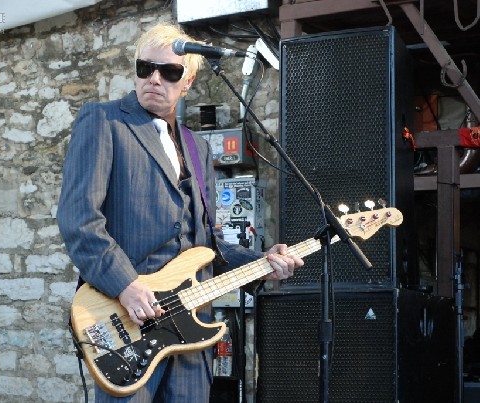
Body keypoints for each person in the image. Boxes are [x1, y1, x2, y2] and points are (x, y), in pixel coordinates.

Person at [57, 22, 304, 402]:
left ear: (187, 82)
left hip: (190, 333)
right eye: (145, 68)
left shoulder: (197, 147)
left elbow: (206, 244)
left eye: (169, 72)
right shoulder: (104, 121)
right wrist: (125, 285)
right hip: (129, 324)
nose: (153, 79)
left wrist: (262, 261)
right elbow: (79, 219)